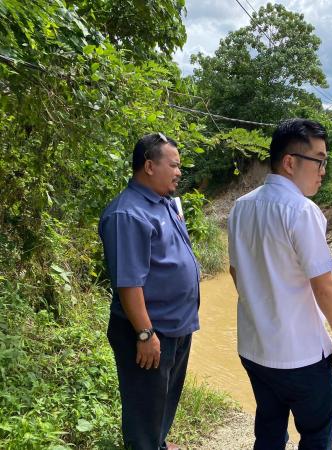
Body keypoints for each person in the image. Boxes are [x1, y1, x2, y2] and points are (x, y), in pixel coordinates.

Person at [227, 118, 332, 450]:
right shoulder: (301, 210)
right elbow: (324, 285)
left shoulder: (241, 206)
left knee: (269, 432)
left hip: (255, 350)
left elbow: (235, 272)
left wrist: (262, 309)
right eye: (319, 161)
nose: (323, 171)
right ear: (290, 162)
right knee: (316, 436)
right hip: (301, 358)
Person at [99, 132, 201, 450]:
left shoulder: (164, 203)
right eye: (174, 165)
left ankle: (159, 443)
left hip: (176, 326)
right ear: (149, 166)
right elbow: (129, 283)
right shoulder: (127, 214)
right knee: (144, 409)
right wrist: (145, 334)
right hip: (149, 331)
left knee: (164, 401)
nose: (179, 172)